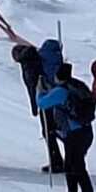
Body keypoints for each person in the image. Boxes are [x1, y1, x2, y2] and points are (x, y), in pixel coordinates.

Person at [37, 63, 96, 192]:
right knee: (71, 164)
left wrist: (39, 91)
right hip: (86, 130)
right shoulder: (77, 86)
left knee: (76, 166)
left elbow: (42, 103)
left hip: (74, 134)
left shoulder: (61, 91)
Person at [14, 43, 63, 173]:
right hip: (58, 93)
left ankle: (56, 162)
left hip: (45, 97)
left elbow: (31, 85)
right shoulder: (44, 56)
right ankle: (65, 159)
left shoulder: (28, 63)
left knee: (48, 130)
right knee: (57, 128)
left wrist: (34, 106)